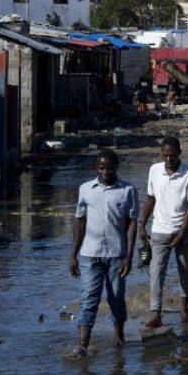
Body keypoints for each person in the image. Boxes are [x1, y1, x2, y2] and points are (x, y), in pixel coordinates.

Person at [69, 149, 138, 356]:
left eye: (109, 168)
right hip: (90, 254)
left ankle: (119, 338)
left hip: (116, 255)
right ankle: (83, 345)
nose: (105, 172)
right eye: (101, 168)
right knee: (89, 298)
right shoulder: (85, 189)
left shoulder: (127, 190)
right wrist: (73, 255)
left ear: (116, 168)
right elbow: (79, 222)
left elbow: (132, 223)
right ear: (96, 168)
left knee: (116, 298)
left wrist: (129, 256)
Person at [139, 137, 188, 328]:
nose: (169, 159)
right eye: (165, 155)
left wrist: (182, 232)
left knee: (184, 269)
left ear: (179, 153)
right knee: (156, 272)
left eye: (172, 155)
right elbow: (150, 199)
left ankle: (184, 308)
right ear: (161, 154)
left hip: (182, 231)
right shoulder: (154, 170)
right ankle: (155, 313)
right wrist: (142, 224)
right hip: (159, 231)